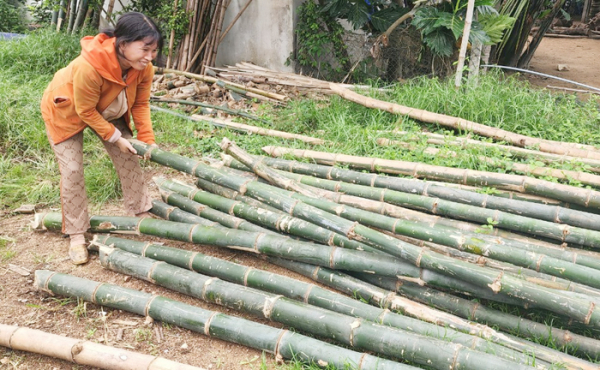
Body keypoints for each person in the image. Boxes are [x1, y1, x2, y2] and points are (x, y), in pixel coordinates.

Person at [40, 12, 163, 265]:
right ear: (123, 43)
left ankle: (140, 211)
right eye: (145, 49)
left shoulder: (144, 68)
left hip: (108, 107)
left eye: (154, 50)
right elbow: (85, 111)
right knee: (72, 169)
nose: (150, 57)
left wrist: (146, 139)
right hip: (68, 109)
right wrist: (115, 137)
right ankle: (76, 235)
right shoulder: (90, 66)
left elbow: (140, 103)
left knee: (128, 154)